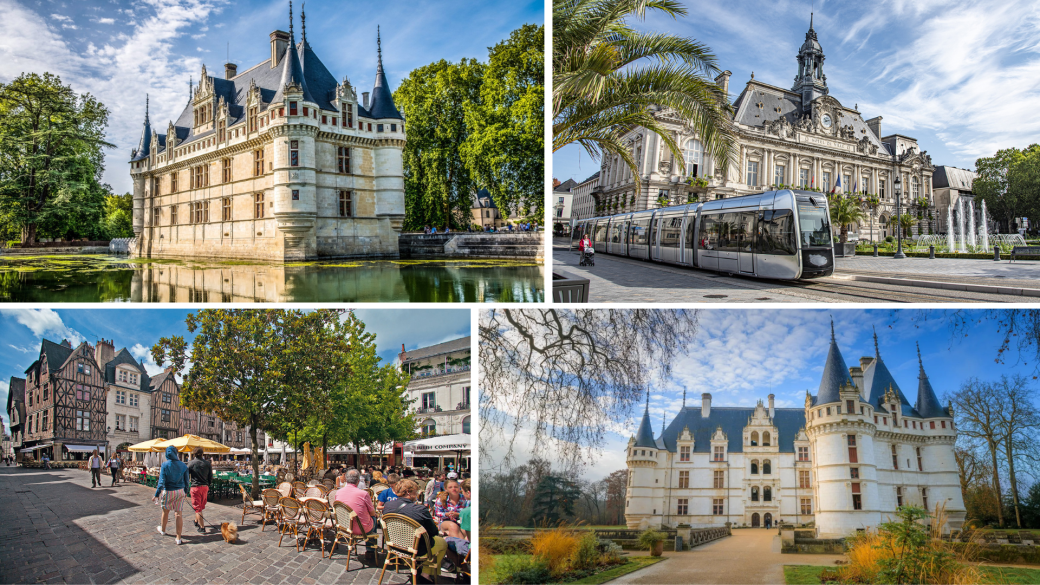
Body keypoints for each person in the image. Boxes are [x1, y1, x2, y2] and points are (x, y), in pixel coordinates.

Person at [383, 479, 447, 583]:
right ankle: (425, 575)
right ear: (408, 492)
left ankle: (419, 567)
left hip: (395, 546)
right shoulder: (419, 509)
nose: (417, 494)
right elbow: (433, 532)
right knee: (442, 543)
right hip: (415, 548)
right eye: (416, 491)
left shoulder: (388, 505)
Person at [335, 469, 378, 556]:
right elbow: (372, 513)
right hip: (361, 528)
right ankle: (370, 550)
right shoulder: (364, 494)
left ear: (346, 480)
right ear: (358, 481)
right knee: (374, 518)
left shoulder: (338, 492)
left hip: (344, 526)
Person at [153, 445, 190, 545]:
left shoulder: (165, 465)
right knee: (178, 514)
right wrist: (186, 491)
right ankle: (178, 537)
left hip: (168, 490)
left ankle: (163, 530)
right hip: (180, 491)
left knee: (165, 511)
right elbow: (187, 481)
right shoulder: (183, 465)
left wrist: (157, 494)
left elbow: (161, 482)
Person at [187, 447, 212, 534]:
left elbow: (186, 475)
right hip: (205, 487)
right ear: (202, 454)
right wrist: (208, 484)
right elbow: (210, 476)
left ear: (194, 454)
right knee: (200, 506)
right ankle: (196, 521)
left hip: (195, 487)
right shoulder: (207, 463)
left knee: (198, 508)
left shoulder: (191, 463)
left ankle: (202, 527)